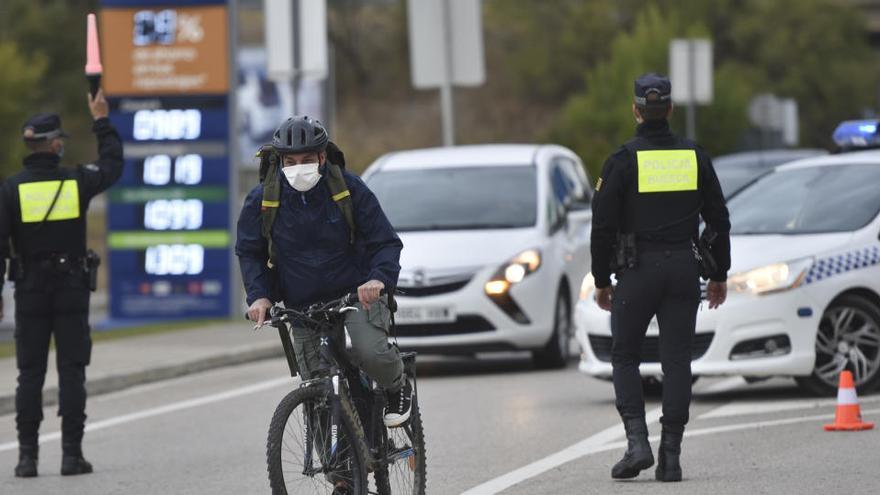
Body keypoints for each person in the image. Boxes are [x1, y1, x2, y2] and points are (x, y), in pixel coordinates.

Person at [590, 73, 730, 482]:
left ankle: (637, 442)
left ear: (636, 111)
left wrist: (601, 279)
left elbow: (601, 227)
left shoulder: (621, 160)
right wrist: (719, 272)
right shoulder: (694, 156)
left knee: (625, 356)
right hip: (684, 271)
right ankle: (671, 457)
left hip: (636, 272)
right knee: (677, 361)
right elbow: (718, 219)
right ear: (669, 109)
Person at [236, 116, 412, 427]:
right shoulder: (262, 199)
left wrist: (378, 279)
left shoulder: (348, 188)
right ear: (279, 161)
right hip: (301, 303)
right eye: (290, 161)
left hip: (356, 294)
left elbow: (385, 242)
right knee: (316, 389)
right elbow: (250, 252)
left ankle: (398, 386)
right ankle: (341, 471)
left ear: (321, 157)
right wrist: (259, 296)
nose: (298, 167)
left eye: (306, 160)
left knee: (369, 351)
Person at [0, 90, 123, 477]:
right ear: (54, 145)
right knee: (72, 370)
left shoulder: (10, 188)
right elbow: (112, 165)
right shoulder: (75, 181)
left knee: (29, 374)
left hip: (30, 289)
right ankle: (71, 454)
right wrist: (100, 119)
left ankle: (27, 458)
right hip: (71, 286)